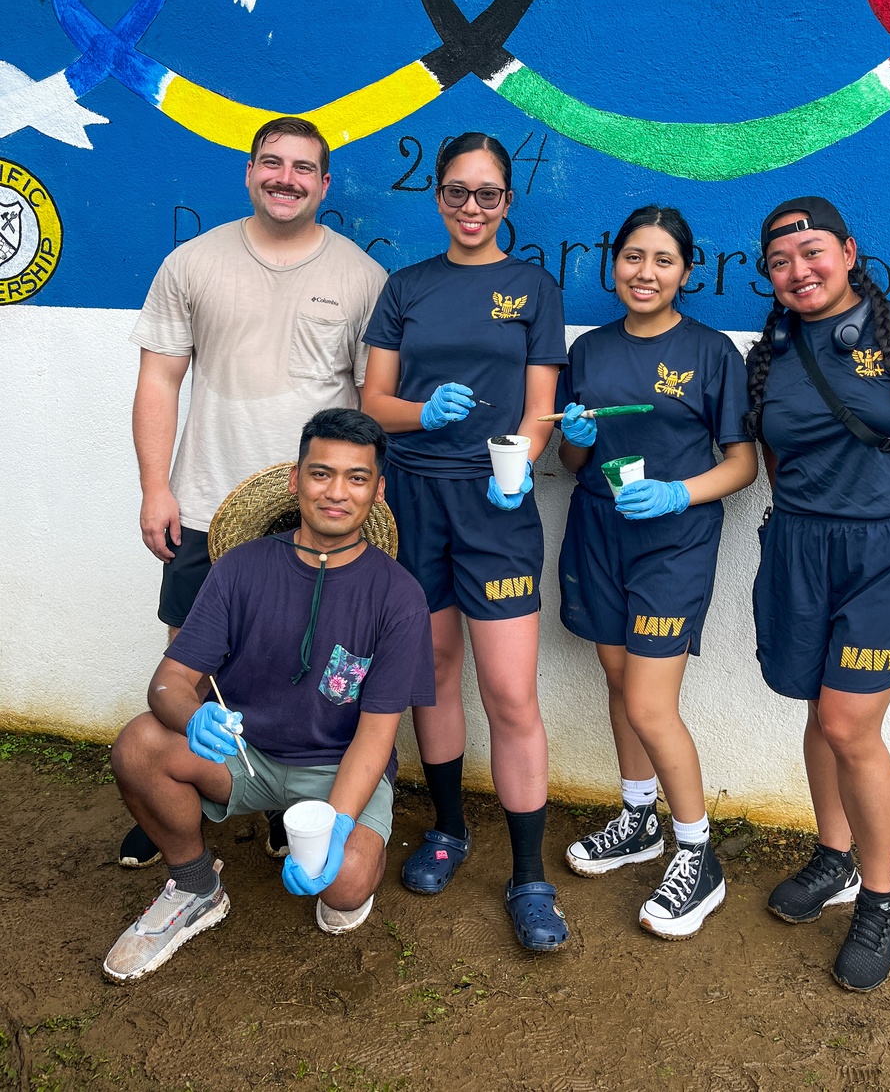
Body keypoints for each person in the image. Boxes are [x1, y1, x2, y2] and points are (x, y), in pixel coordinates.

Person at [123, 116, 386, 867]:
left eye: (304, 167)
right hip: (205, 502)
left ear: (325, 184)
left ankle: (280, 804)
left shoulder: (360, 276)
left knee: (291, 665)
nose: (286, 178)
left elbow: (368, 405)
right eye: (272, 163)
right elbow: (158, 382)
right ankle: (178, 801)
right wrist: (155, 488)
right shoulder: (192, 263)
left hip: (313, 521)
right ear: (249, 171)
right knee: (188, 659)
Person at [103, 408, 435, 982]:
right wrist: (194, 714)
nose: (336, 492)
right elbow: (168, 683)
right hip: (244, 755)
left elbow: (377, 734)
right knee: (138, 745)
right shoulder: (240, 567)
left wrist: (337, 823)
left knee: (347, 886)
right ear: (295, 480)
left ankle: (334, 855)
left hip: (337, 765)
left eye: (357, 478)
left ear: (378, 491)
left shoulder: (399, 596)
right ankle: (195, 887)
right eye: (320, 473)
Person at [746, 196, 890, 992]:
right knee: (818, 706)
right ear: (769, 275)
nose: (799, 270)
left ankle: (879, 899)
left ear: (848, 250)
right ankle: (834, 857)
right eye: (781, 261)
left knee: (849, 722)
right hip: (804, 547)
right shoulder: (772, 351)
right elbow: (777, 457)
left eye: (813, 252)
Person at [361, 132, 570, 951]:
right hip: (413, 499)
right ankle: (448, 828)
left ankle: (530, 876)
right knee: (434, 673)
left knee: (511, 694)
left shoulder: (533, 288)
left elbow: (541, 404)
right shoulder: (405, 287)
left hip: (495, 503)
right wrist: (422, 414)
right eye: (458, 192)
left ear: (508, 202)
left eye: (488, 194)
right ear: (438, 197)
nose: (472, 207)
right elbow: (373, 399)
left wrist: (520, 463)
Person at [555, 205, 757, 937]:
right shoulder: (591, 350)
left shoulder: (713, 352)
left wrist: (679, 491)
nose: (645, 272)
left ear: (687, 271)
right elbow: (568, 459)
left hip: (674, 540)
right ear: (613, 264)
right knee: (619, 682)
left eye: (662, 260)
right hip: (598, 531)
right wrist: (574, 440)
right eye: (632, 257)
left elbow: (743, 463)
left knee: (648, 702)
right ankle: (637, 818)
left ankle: (697, 851)